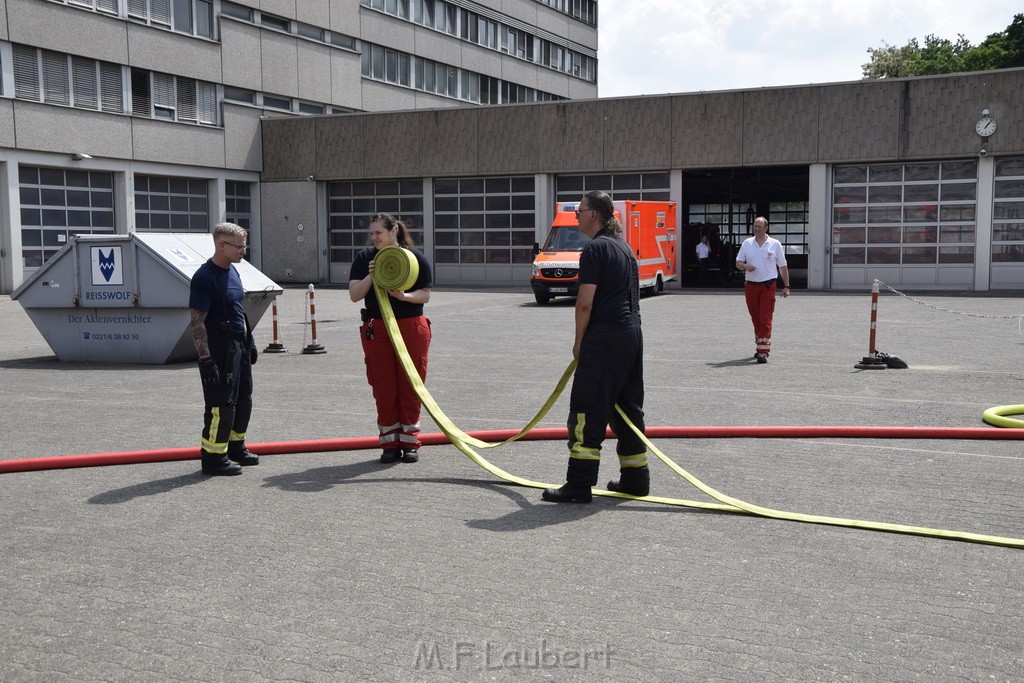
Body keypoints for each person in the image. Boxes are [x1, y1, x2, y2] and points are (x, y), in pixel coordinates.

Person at [542, 191, 649, 504]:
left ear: (594, 215)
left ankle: (579, 485)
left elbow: (585, 303)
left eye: (580, 210)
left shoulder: (595, 249)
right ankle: (635, 479)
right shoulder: (624, 247)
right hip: (631, 336)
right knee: (628, 410)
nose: (576, 215)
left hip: (604, 339)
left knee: (587, 411)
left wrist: (579, 342)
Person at [349, 213, 433, 464]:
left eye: (379, 233)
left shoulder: (415, 258)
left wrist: (403, 296)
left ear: (393, 230)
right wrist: (373, 276)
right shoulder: (365, 258)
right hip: (378, 328)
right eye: (372, 233)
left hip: (411, 327)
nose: (374, 238)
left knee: (410, 384)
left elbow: (425, 295)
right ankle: (389, 444)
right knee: (383, 386)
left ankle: (410, 443)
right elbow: (354, 295)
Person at [189, 222, 260, 476]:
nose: (244, 251)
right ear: (222, 245)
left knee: (243, 399)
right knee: (222, 404)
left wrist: (249, 340)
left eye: (245, 246)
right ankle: (213, 458)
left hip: (237, 346)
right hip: (219, 348)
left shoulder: (233, 271)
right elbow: (197, 321)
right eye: (239, 247)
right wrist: (206, 359)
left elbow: (238, 309)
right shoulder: (204, 278)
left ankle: (235, 447)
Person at [735, 216, 791, 364]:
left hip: (768, 286)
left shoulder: (775, 244)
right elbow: (738, 262)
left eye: (760, 226)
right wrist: (745, 266)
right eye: (755, 226)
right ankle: (760, 343)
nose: (757, 228)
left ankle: (763, 351)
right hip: (751, 286)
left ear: (766, 228)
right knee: (755, 317)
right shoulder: (747, 243)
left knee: (765, 317)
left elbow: (783, 266)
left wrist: (786, 286)